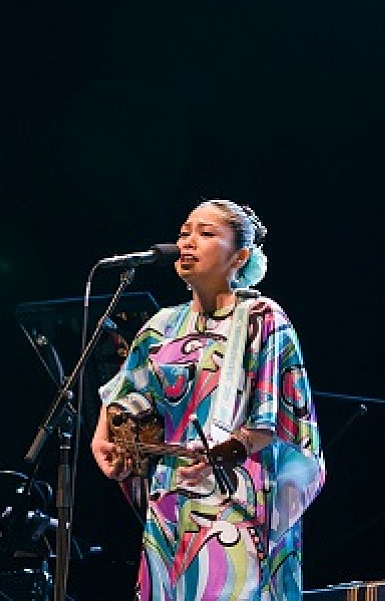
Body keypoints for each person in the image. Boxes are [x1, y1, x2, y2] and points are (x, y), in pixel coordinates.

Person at [91, 197, 325, 600]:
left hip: (235, 500)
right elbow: (122, 394)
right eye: (184, 233)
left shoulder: (261, 317)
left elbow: (270, 421)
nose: (188, 242)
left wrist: (221, 455)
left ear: (240, 257)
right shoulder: (161, 325)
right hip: (171, 501)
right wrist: (104, 437)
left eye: (206, 233)